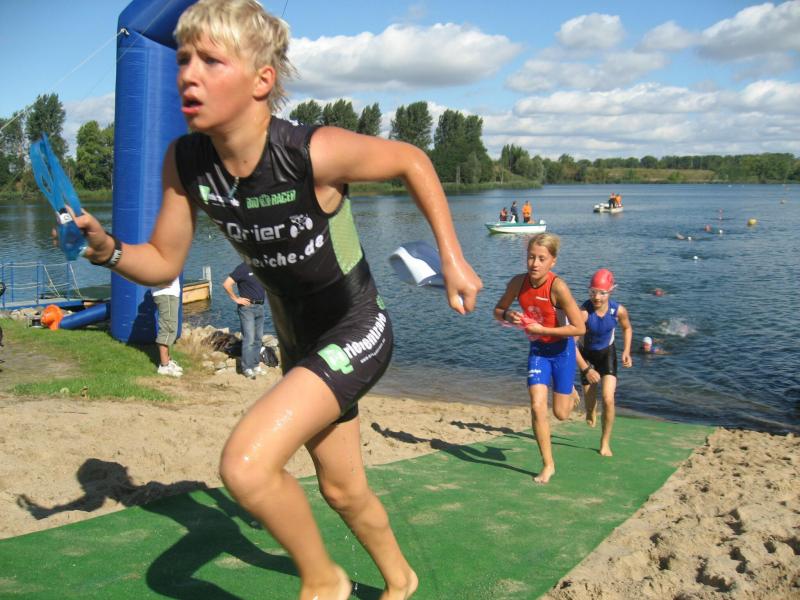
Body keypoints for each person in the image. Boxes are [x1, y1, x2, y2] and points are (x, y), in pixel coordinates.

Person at [72, 1, 481, 598]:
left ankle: (324, 581)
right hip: (297, 342)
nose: (188, 75)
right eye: (183, 59)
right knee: (342, 490)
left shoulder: (311, 150)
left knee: (245, 465)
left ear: (262, 80)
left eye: (210, 61)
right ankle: (402, 582)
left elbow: (412, 160)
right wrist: (108, 250)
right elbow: (162, 261)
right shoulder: (186, 162)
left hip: (356, 327)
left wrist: (452, 257)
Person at [494, 233, 584, 484]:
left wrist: (543, 329)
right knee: (536, 406)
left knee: (561, 414)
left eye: (541, 259)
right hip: (538, 352)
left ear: (553, 261)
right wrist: (508, 315)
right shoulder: (518, 282)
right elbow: (498, 310)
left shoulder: (558, 287)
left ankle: (571, 389)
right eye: (531, 257)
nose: (534, 263)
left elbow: (579, 328)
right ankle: (548, 464)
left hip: (563, 351)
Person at [573, 269, 632, 457]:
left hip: (607, 354)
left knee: (608, 399)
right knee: (590, 403)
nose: (596, 297)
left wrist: (626, 351)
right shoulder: (583, 313)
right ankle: (590, 410)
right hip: (586, 356)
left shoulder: (618, 311)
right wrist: (586, 369)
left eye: (602, 293)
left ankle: (605, 442)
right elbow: (570, 344)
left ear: (610, 291)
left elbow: (627, 328)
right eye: (592, 292)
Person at [223, 262, 266, 379]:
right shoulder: (243, 268)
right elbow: (227, 284)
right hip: (247, 309)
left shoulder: (261, 266)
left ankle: (255, 365)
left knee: (258, 338)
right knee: (249, 338)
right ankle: (247, 368)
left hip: (260, 307)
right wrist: (236, 299)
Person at [153, 276, 183, 377]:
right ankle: (164, 366)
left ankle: (167, 361)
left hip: (169, 294)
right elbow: (149, 271)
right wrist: (161, 283)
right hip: (166, 294)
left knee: (170, 328)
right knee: (167, 329)